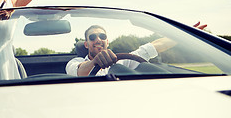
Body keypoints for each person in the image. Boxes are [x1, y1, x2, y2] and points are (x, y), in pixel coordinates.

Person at [66, 23, 207, 76]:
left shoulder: (124, 61)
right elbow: (80, 71)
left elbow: (154, 46)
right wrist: (94, 62)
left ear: (107, 41)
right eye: (92, 37)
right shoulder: (74, 62)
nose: (98, 40)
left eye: (102, 36)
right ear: (86, 44)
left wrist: (184, 36)